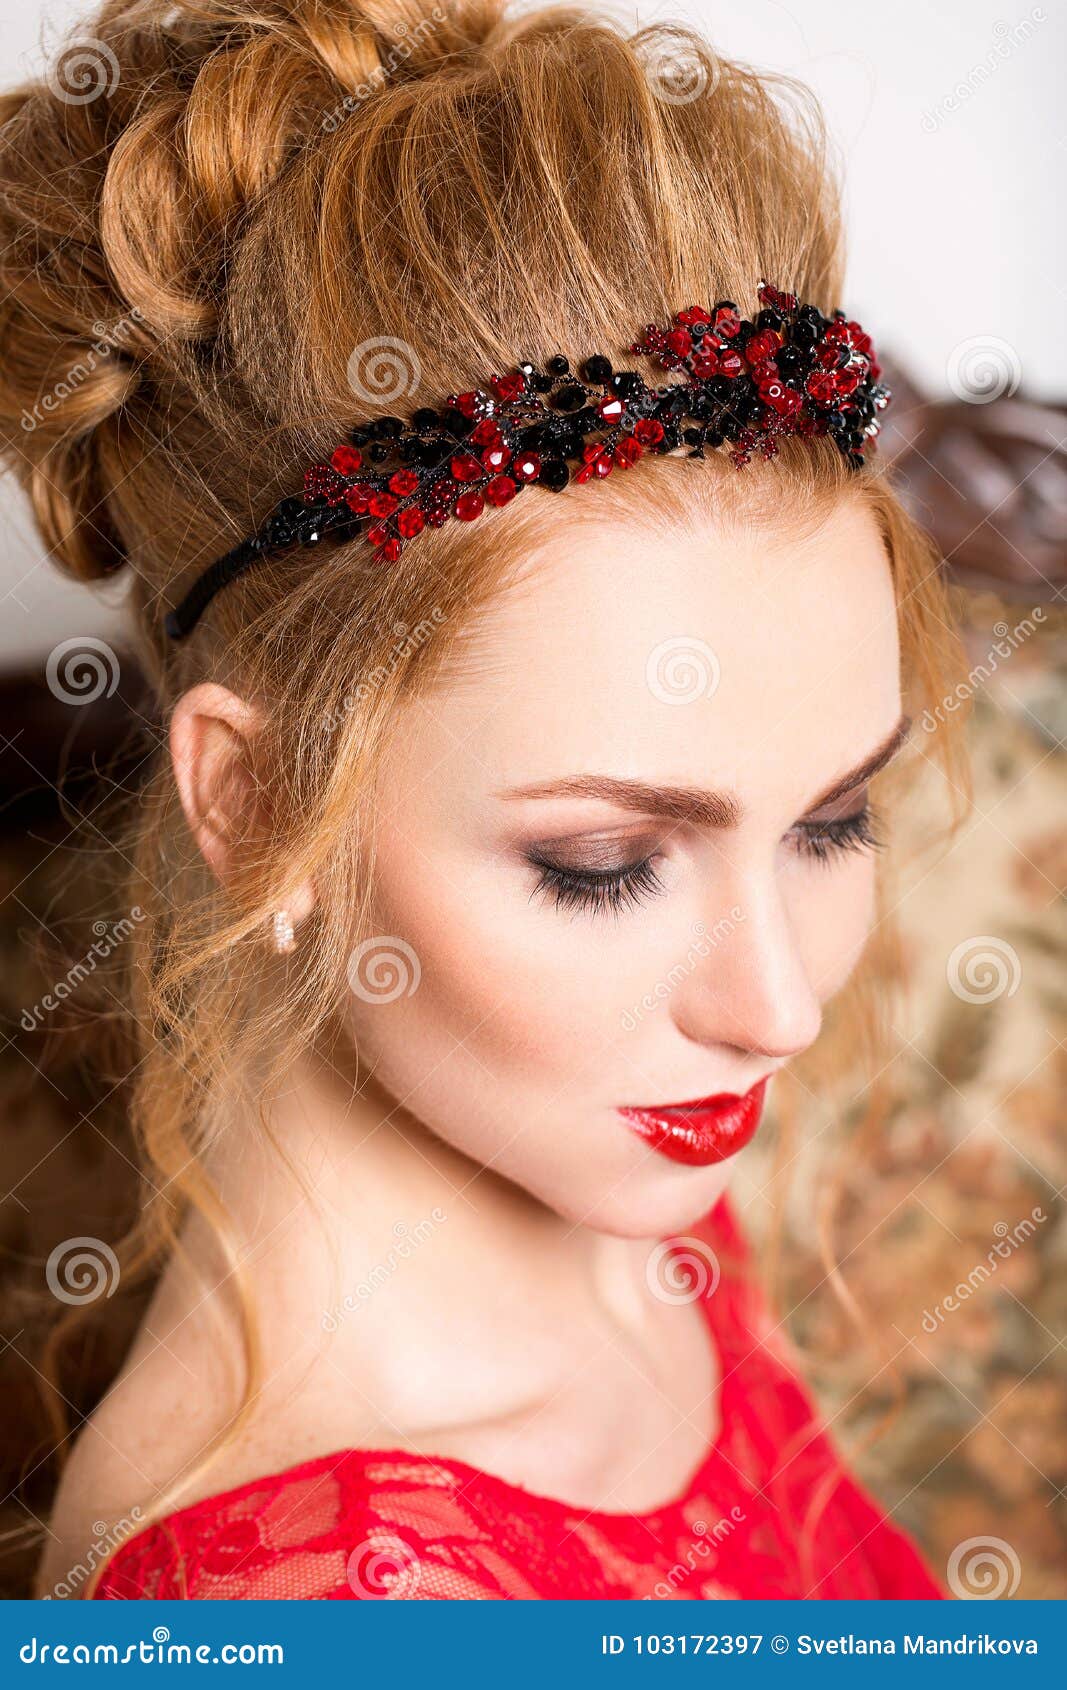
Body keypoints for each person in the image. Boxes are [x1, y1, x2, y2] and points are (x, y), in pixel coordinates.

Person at [0, 0, 964, 1600]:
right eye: (602, 865)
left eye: (830, 821)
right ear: (250, 801)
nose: (777, 1008)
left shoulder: (618, 1176)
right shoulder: (321, 1605)